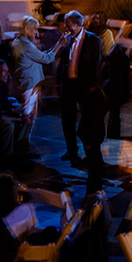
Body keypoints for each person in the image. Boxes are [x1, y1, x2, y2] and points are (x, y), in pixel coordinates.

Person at [56, 10, 106, 189]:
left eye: (70, 24)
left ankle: (90, 153)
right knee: (67, 117)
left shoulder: (93, 40)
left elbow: (96, 62)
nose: (67, 28)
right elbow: (63, 61)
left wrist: (93, 85)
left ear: (79, 24)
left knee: (87, 121)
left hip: (85, 85)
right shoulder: (67, 39)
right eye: (66, 24)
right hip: (69, 84)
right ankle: (72, 151)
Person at [11, 15, 62, 149]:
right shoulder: (26, 45)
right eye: (34, 30)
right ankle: (23, 147)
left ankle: (25, 145)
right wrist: (59, 45)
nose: (37, 33)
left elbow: (42, 57)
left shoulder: (19, 41)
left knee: (30, 115)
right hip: (29, 83)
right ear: (27, 30)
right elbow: (46, 59)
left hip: (28, 82)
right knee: (28, 116)